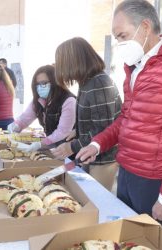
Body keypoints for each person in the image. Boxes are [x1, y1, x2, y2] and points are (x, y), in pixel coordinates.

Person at [76, 0, 162, 234]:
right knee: (128, 237)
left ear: (145, 27)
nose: (119, 43)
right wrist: (98, 143)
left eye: (122, 36)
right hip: (128, 172)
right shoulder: (136, 67)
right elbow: (126, 119)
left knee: (153, 241)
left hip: (157, 180)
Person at [51, 37, 122, 191]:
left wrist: (72, 146)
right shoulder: (87, 82)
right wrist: (78, 130)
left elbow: (104, 128)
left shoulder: (98, 83)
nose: (60, 69)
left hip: (103, 159)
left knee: (96, 202)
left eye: (61, 63)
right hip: (90, 155)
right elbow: (95, 118)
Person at [7, 65, 76, 151]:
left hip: (71, 150)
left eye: (43, 83)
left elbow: (63, 132)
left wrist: (41, 144)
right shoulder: (39, 101)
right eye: (37, 84)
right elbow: (26, 117)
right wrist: (16, 125)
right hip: (54, 148)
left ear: (55, 82)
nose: (40, 87)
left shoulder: (68, 101)